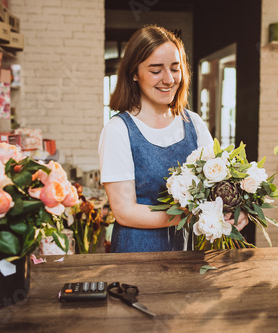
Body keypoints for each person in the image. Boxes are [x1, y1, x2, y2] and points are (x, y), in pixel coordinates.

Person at [98, 25, 248, 253]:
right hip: (136, 256)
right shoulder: (118, 130)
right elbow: (124, 212)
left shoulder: (194, 123)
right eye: (156, 70)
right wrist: (192, 214)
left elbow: (220, 186)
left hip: (188, 253)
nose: (168, 79)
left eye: (175, 68)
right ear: (134, 74)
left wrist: (236, 209)